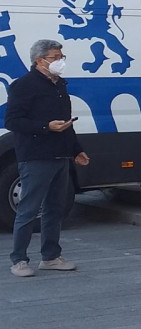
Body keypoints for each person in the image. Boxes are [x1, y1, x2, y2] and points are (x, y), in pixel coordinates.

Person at [6, 40, 87, 277]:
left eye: (62, 56)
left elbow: (66, 122)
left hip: (61, 154)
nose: (60, 60)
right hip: (35, 155)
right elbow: (12, 121)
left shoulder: (60, 86)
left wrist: (77, 150)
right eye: (55, 57)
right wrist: (45, 126)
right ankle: (19, 259)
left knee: (55, 208)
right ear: (39, 60)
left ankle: (50, 256)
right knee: (28, 209)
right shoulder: (23, 85)